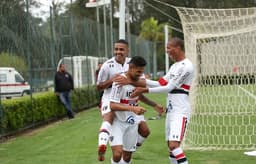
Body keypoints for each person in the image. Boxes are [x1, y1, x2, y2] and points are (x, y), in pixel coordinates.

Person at [96, 39, 164, 161]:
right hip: (113, 100)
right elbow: (99, 88)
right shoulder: (108, 66)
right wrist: (111, 80)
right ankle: (102, 143)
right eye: (116, 49)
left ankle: (131, 148)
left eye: (121, 49)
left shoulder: (134, 64)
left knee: (144, 132)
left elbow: (143, 88)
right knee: (110, 118)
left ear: (127, 50)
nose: (118, 52)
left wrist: (154, 104)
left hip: (131, 110)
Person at [130, 37, 194, 164]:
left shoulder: (186, 66)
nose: (167, 51)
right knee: (171, 148)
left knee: (174, 145)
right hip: (171, 110)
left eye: (169, 48)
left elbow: (169, 87)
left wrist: (144, 90)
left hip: (180, 111)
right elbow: (160, 82)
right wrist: (136, 79)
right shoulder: (174, 66)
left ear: (178, 48)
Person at [109, 56, 147, 164]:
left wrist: (154, 105)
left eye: (142, 72)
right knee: (117, 154)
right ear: (130, 67)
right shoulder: (119, 81)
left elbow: (144, 88)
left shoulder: (138, 81)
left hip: (132, 121)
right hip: (117, 121)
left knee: (127, 157)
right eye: (138, 71)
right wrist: (133, 108)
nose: (140, 74)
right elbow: (112, 105)